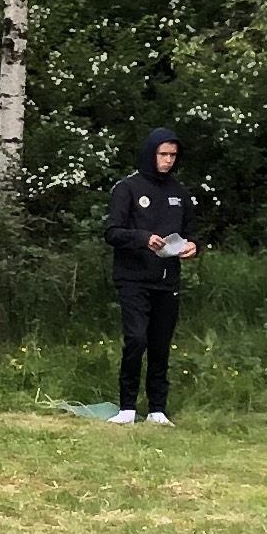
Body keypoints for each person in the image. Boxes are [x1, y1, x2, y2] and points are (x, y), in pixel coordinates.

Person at [105, 123, 195, 425]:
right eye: (162, 154)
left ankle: (157, 409)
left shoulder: (179, 193)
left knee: (160, 344)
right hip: (132, 278)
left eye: (172, 155)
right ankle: (127, 407)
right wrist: (143, 239)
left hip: (167, 279)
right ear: (150, 154)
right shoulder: (127, 188)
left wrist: (192, 246)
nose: (168, 160)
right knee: (136, 339)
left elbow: (192, 232)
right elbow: (112, 232)